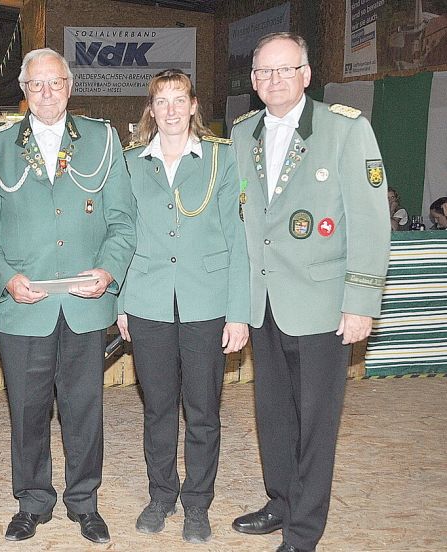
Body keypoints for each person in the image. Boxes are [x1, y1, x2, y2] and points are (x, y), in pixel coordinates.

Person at [230, 32, 390, 552]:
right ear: (253, 82)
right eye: (263, 72)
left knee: (317, 420)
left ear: (306, 74)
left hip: (323, 304)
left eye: (284, 69)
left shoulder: (346, 130)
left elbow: (370, 222)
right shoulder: (240, 133)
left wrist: (361, 301)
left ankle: (304, 530)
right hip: (264, 302)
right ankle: (280, 500)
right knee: (273, 412)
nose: (273, 80)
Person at [0, 48, 136, 545]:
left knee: (84, 408)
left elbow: (123, 222)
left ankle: (84, 501)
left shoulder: (103, 140)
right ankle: (33, 500)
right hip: (23, 308)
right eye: (36, 84)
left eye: (55, 82)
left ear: (70, 85)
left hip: (85, 306)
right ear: (23, 91)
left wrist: (109, 272)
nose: (47, 92)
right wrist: (3, 277)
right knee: (26, 409)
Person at [117, 69, 250, 545]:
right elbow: (123, 236)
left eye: (179, 99)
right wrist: (123, 304)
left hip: (206, 301)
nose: (171, 109)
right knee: (157, 409)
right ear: (150, 109)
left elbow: (238, 239)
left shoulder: (221, 157)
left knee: (203, 411)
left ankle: (198, 503)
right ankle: (160, 495)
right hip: (149, 301)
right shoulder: (131, 163)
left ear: (194, 105)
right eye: (161, 100)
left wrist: (238, 312)